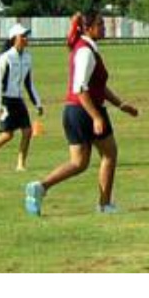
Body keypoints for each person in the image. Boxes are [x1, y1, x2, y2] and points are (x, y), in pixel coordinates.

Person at [24, 13, 139, 218]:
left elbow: (98, 86)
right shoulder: (85, 51)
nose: (104, 27)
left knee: (79, 163)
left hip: (73, 111)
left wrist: (120, 105)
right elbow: (80, 89)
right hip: (85, 111)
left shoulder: (85, 48)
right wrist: (96, 117)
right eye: (100, 24)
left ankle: (40, 187)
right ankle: (104, 205)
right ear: (88, 28)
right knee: (109, 154)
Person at [0, 24, 43, 172]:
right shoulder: (6, 57)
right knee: (7, 135)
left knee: (27, 131)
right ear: (15, 38)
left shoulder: (28, 57)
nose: (26, 38)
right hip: (6, 100)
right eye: (23, 36)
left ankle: (21, 164)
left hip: (18, 99)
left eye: (26, 36)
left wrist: (38, 103)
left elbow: (29, 83)